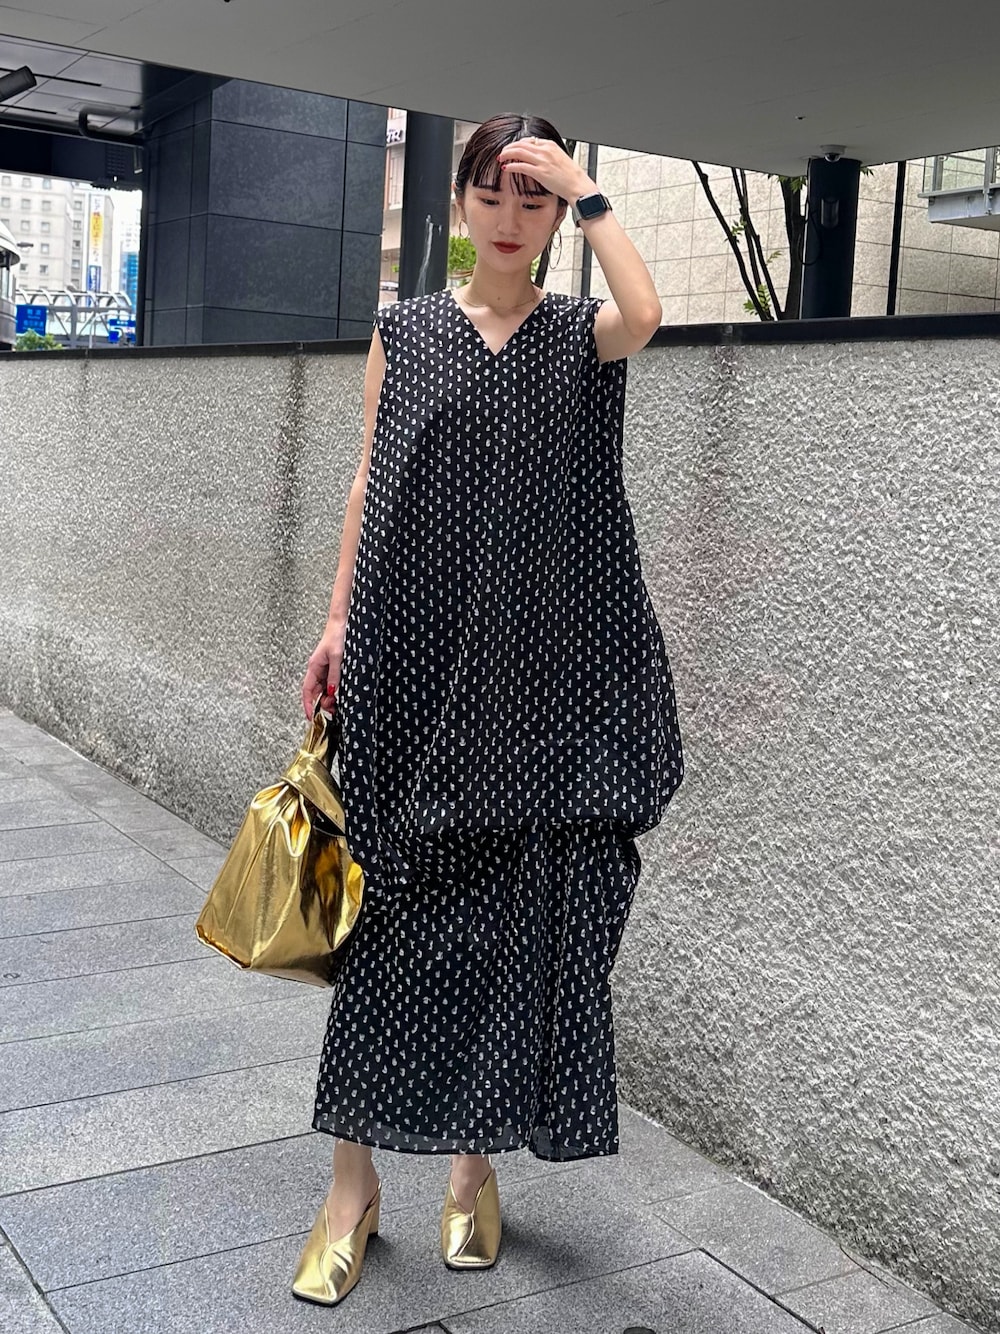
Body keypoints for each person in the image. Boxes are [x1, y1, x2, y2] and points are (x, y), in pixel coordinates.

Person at [292, 112, 684, 1307]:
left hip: (538, 677)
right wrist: (337, 618)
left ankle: (471, 1169)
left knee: (513, 916)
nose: (510, 219)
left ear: (558, 215)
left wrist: (587, 185)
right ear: (459, 205)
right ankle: (351, 1186)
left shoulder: (579, 335)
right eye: (493, 194)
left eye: (534, 200)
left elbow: (648, 312)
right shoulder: (405, 329)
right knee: (389, 913)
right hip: (410, 657)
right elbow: (369, 475)